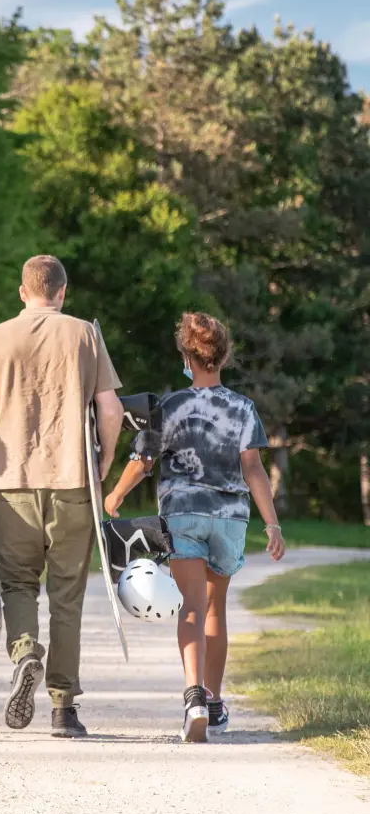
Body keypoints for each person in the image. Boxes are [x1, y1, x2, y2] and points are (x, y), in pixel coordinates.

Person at [0, 255, 123, 738]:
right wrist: (105, 461)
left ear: (21, 292)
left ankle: (26, 651)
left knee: (18, 586)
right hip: (73, 479)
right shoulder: (84, 335)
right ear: (62, 292)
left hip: (11, 485)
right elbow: (109, 410)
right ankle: (63, 709)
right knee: (67, 597)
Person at [104, 312, 285, 742]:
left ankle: (193, 699)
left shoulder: (169, 406)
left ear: (187, 356)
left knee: (190, 607)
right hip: (228, 519)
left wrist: (115, 496)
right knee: (216, 609)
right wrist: (272, 523)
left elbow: (143, 461)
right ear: (223, 357)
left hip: (183, 513)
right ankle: (215, 700)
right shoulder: (243, 408)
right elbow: (254, 468)